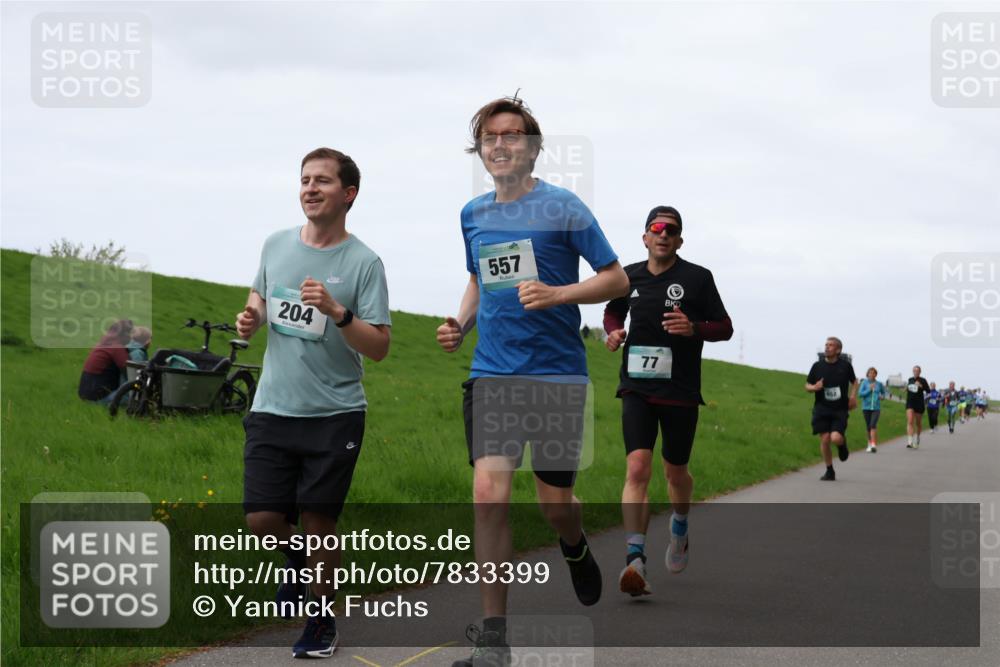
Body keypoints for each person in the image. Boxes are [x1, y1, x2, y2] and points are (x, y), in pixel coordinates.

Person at [435, 95, 628, 667]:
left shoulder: (563, 207)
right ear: (481, 149)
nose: (500, 144)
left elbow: (616, 279)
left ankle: (573, 543)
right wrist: (460, 325)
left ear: (533, 147)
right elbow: (478, 278)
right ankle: (495, 641)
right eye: (490, 136)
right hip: (492, 373)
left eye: (513, 135)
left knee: (554, 503)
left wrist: (559, 294)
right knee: (489, 495)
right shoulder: (473, 214)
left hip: (556, 376)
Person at [235, 147, 391, 659]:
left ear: (348, 194)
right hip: (273, 406)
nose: (309, 188)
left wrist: (338, 312)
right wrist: (252, 317)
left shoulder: (364, 262)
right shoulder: (276, 244)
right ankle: (295, 564)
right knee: (262, 519)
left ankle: (321, 622)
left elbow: (380, 346)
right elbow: (260, 295)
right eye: (304, 179)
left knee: (320, 523)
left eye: (322, 181)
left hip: (335, 413)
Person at [603, 205, 732, 597]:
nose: (662, 234)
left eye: (670, 229)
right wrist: (613, 332)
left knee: (675, 473)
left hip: (679, 393)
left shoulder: (697, 278)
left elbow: (724, 327)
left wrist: (693, 327)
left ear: (679, 239)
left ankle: (679, 524)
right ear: (645, 237)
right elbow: (612, 310)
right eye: (655, 228)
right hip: (637, 388)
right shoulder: (629, 276)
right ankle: (635, 559)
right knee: (637, 467)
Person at [805, 337, 858, 481]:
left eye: (831, 345)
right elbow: (807, 385)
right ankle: (830, 470)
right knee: (825, 439)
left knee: (835, 438)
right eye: (826, 345)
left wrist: (853, 397)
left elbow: (855, 382)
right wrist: (814, 387)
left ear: (838, 350)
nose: (827, 347)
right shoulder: (817, 366)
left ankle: (842, 445)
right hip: (822, 408)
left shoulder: (845, 366)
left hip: (839, 409)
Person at [77, 319, 134, 403]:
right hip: (100, 398)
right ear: (123, 334)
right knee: (130, 389)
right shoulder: (116, 347)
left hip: (86, 396)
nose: (130, 336)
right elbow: (130, 372)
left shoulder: (102, 344)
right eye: (129, 333)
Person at [858, 367, 886, 452]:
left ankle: (873, 444)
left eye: (873, 373)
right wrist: (869, 389)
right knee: (868, 427)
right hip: (866, 407)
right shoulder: (864, 383)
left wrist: (882, 397)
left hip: (876, 408)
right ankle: (869, 444)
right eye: (870, 373)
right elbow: (860, 394)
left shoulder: (879, 384)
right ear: (867, 374)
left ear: (875, 374)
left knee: (873, 425)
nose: (872, 374)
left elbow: (884, 393)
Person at [904, 366, 930, 449]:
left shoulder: (923, 380)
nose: (915, 372)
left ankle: (918, 437)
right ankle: (910, 441)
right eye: (914, 370)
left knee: (918, 423)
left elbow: (928, 391)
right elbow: (909, 388)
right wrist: (906, 388)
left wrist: (921, 386)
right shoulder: (910, 379)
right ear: (913, 371)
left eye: (917, 371)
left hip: (919, 403)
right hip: (910, 402)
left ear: (920, 372)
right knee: (910, 421)